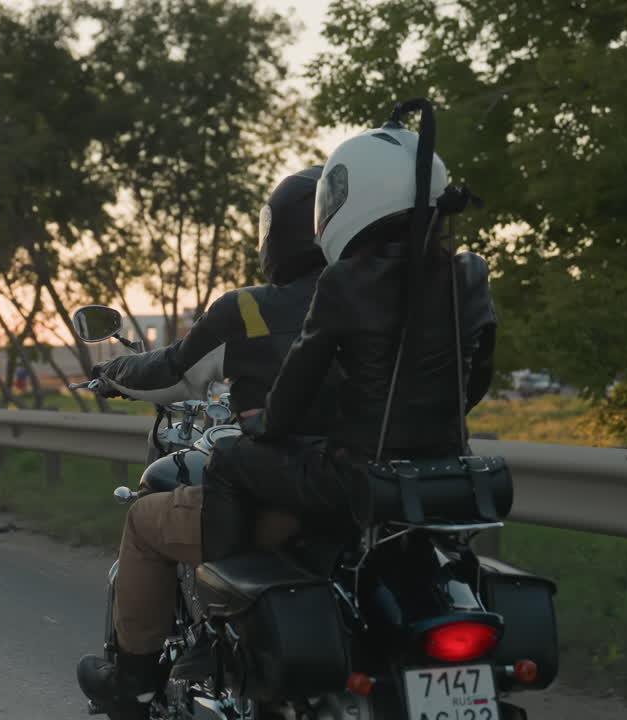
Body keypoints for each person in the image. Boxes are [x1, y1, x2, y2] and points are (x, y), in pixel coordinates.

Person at [76, 166, 342, 712]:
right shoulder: (391, 306)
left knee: (144, 522)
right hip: (371, 501)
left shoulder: (250, 309)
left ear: (277, 234)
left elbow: (172, 369)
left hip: (288, 501)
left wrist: (113, 372)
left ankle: (134, 683)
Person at [202, 118, 499, 584]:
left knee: (225, 459)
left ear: (359, 197)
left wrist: (263, 424)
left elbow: (299, 380)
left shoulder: (344, 280)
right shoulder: (471, 272)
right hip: (449, 468)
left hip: (357, 474)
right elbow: (478, 375)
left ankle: (225, 594)